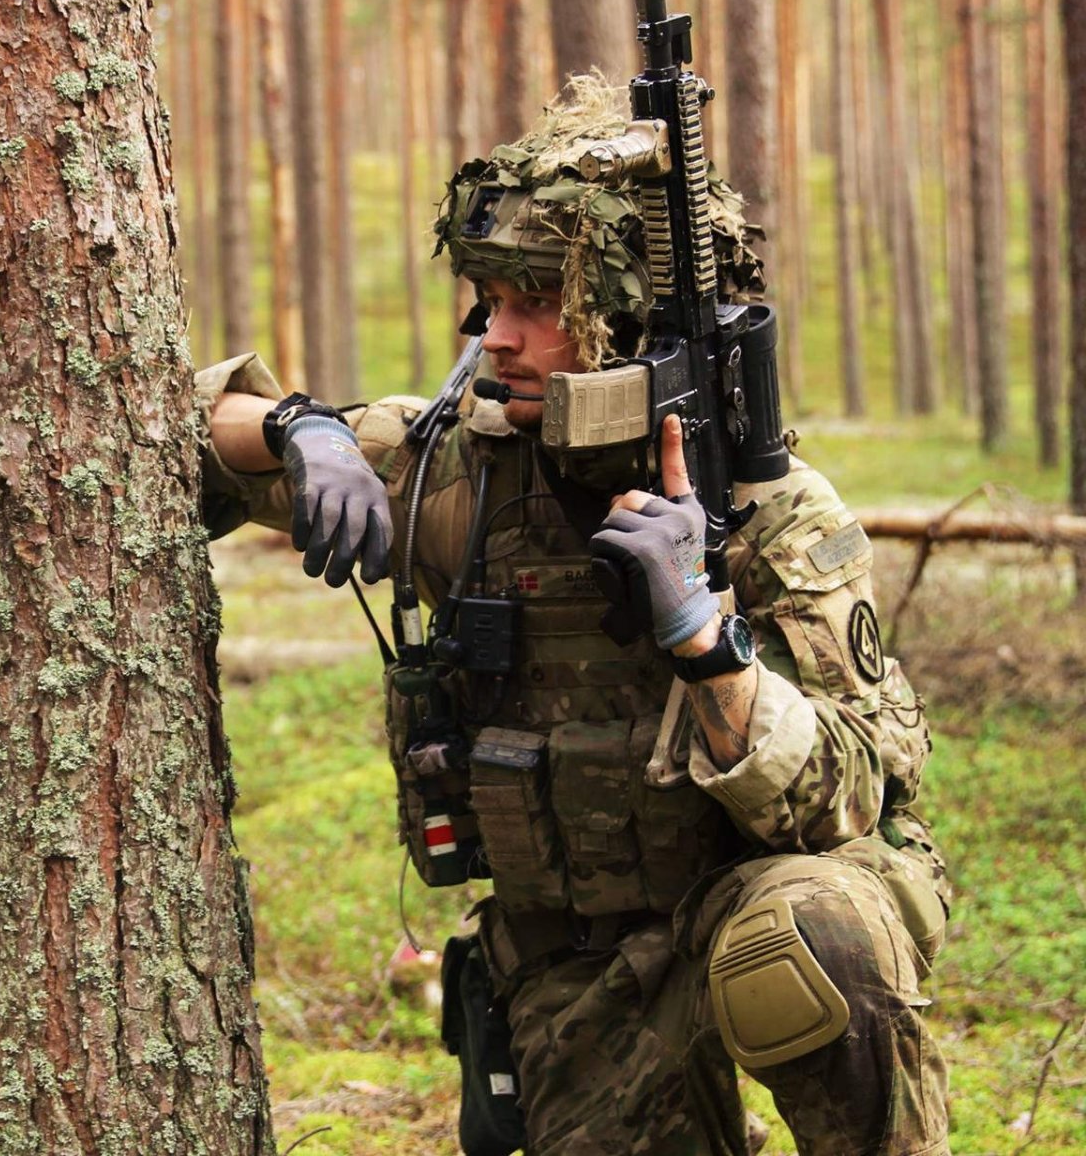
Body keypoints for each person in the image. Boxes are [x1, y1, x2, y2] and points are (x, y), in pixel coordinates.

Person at [195, 78, 950, 1156]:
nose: (495, 338)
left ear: (627, 322)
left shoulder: (769, 514)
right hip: (583, 954)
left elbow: (850, 797)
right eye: (487, 299)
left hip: (758, 895)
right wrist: (300, 427)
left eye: (537, 303)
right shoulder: (461, 471)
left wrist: (705, 636)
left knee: (809, 944)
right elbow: (179, 424)